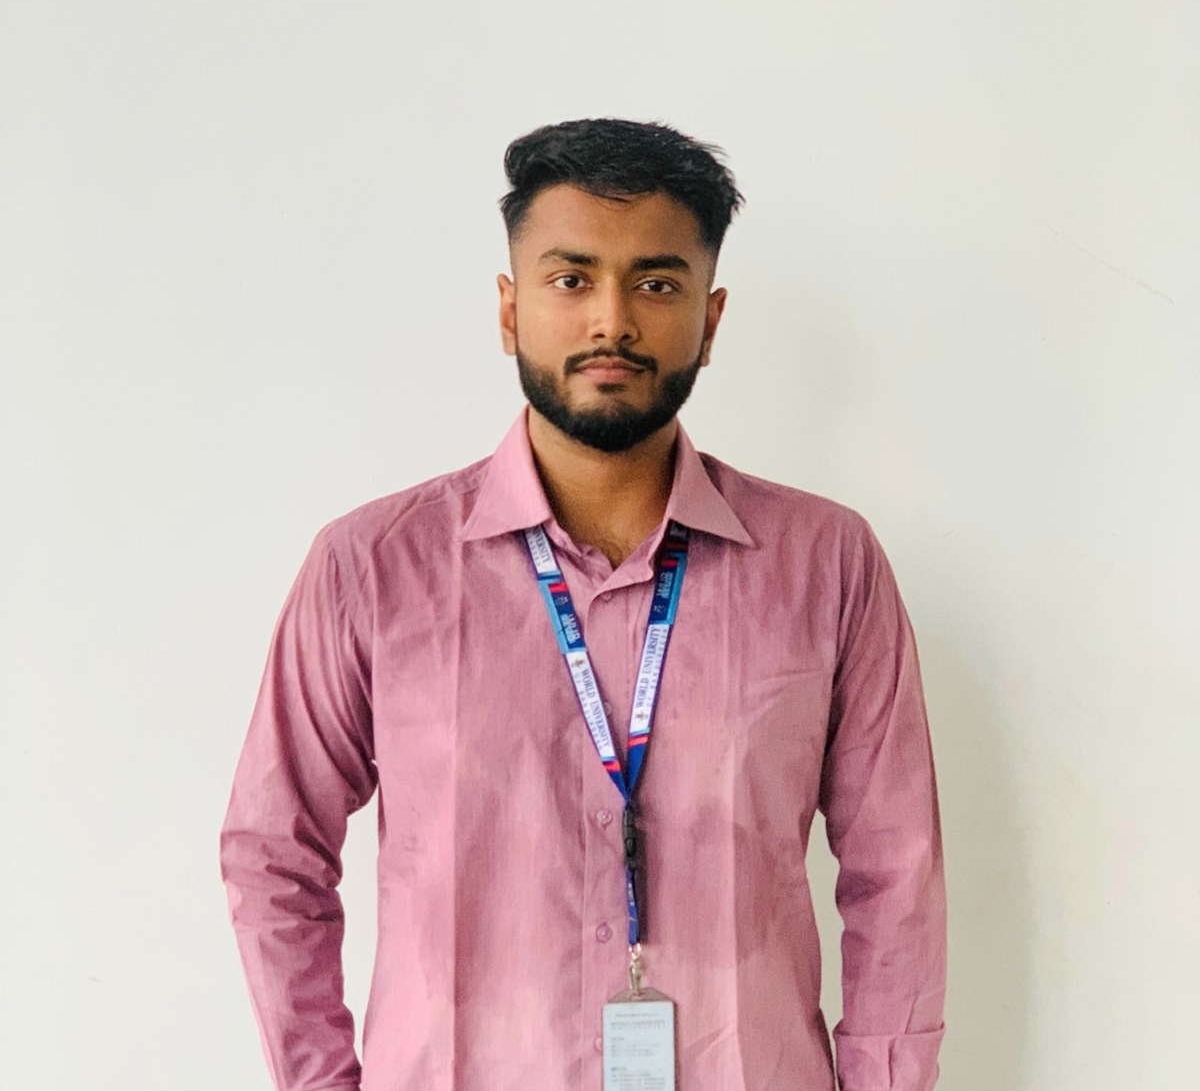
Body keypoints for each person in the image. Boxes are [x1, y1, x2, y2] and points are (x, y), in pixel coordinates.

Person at [220, 118, 946, 1091]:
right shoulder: (372, 568)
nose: (612, 320)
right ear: (510, 309)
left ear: (711, 319)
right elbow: (274, 852)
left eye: (656, 284)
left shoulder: (827, 564)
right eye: (571, 279)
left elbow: (897, 871)